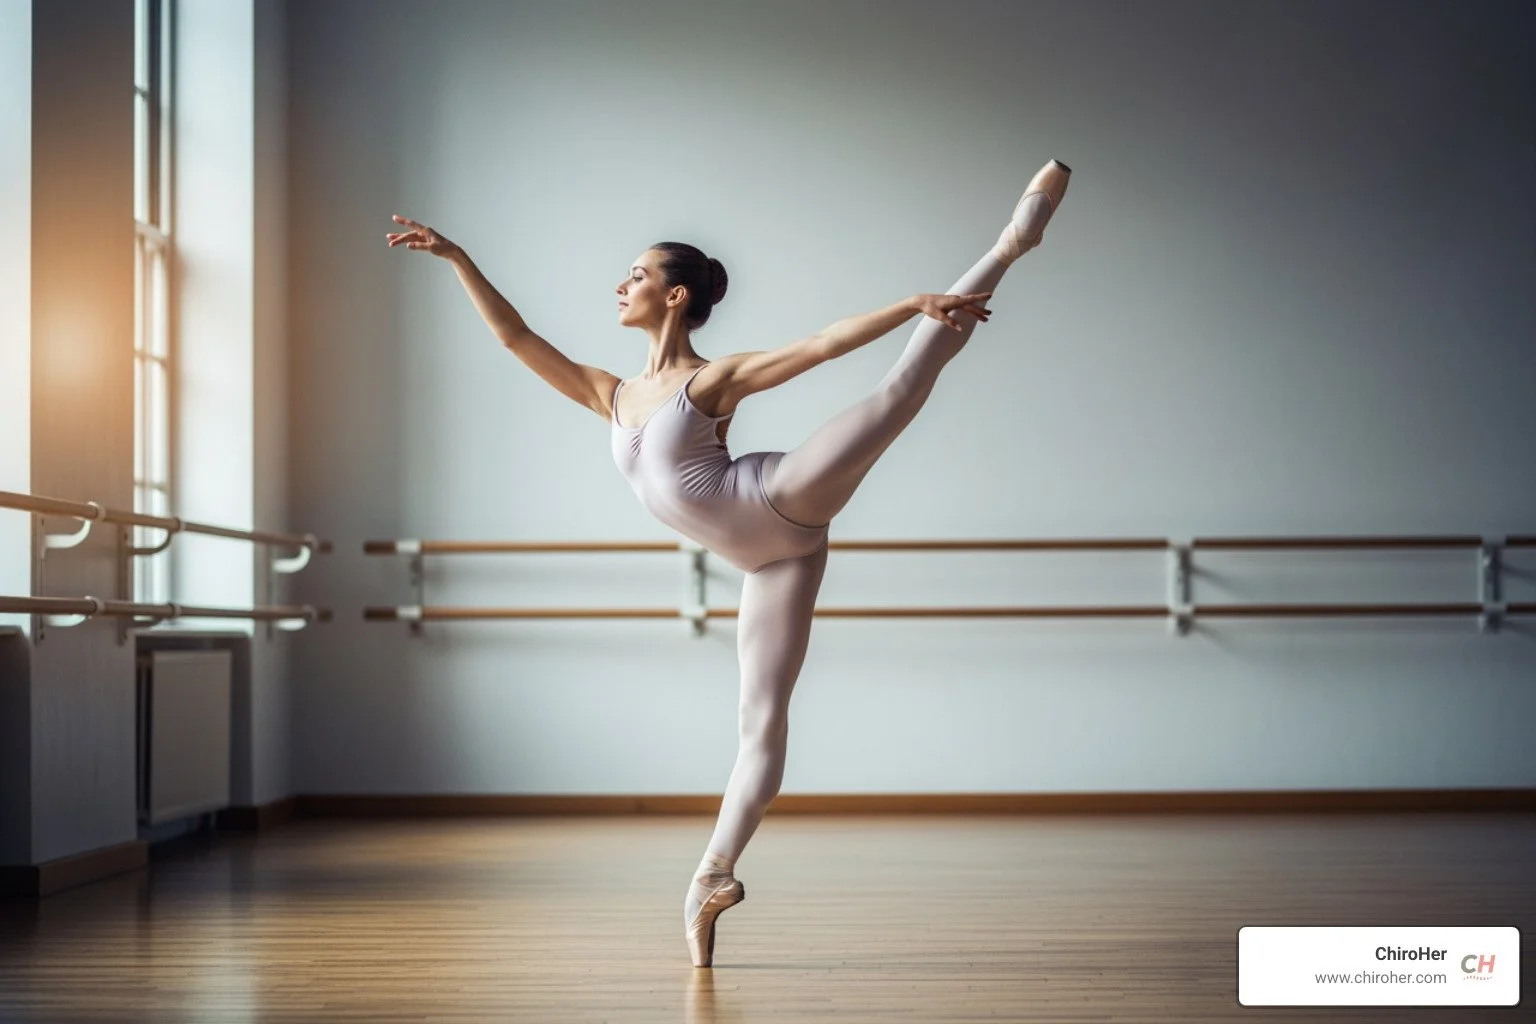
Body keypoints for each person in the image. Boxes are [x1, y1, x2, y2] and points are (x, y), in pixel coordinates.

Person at [386, 158, 1070, 967]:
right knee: (759, 725)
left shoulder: (711, 382)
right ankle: (712, 876)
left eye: (635, 275)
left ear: (674, 296)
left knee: (893, 397)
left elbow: (817, 347)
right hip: (772, 565)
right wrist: (458, 257)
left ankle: (1006, 247)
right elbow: (515, 337)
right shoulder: (607, 393)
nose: (621, 285)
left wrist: (912, 303)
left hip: (777, 500)